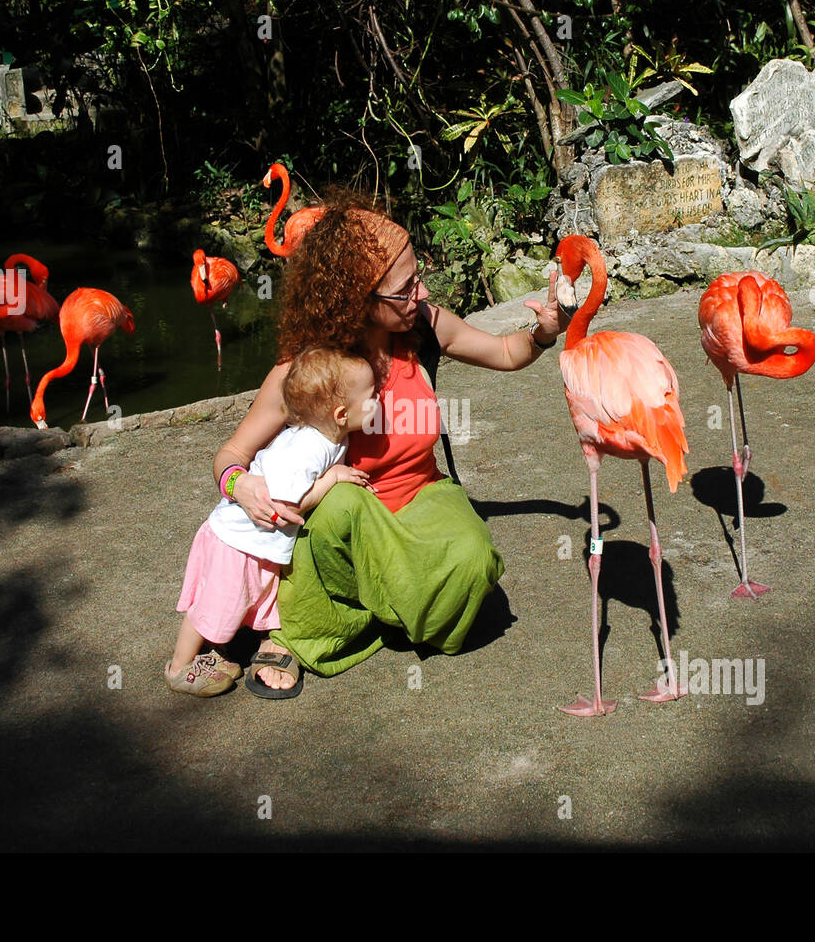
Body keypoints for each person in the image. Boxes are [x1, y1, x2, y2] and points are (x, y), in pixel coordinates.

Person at [215, 190, 569, 696]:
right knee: (338, 502)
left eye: (418, 279)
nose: (421, 295)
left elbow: (507, 352)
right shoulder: (309, 371)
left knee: (473, 562)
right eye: (405, 290)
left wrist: (544, 331)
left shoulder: (422, 328)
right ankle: (306, 628)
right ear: (358, 298)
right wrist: (241, 485)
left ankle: (359, 613)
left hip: (420, 498)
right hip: (341, 526)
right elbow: (230, 456)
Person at [167, 347, 376, 697]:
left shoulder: (330, 435)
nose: (379, 399)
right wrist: (333, 479)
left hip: (255, 542)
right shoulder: (309, 448)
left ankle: (211, 653)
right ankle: (179, 667)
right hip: (238, 543)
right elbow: (287, 505)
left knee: (237, 602)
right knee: (214, 605)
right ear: (341, 414)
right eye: (372, 397)